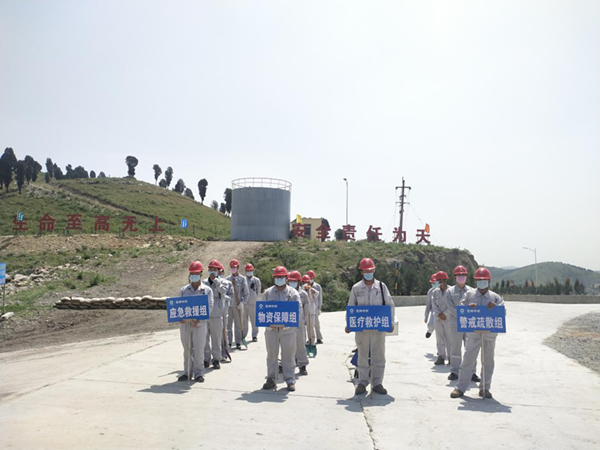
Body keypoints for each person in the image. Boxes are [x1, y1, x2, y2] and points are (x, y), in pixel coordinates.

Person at [451, 267, 504, 399]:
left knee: (488, 361)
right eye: (479, 280)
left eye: (484, 280)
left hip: (489, 335)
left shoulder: (495, 297)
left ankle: (485, 388)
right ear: (476, 281)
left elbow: (503, 311)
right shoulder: (469, 295)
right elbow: (461, 309)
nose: (482, 282)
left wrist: (495, 307)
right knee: (468, 360)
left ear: (489, 281)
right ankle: (460, 387)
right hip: (474, 334)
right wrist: (468, 307)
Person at [345, 258, 395, 395]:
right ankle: (362, 383)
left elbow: (390, 306)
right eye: (365, 271)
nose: (368, 273)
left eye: (370, 271)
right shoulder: (356, 288)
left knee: (379, 355)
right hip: (362, 329)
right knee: (362, 355)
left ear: (374, 270)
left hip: (378, 329)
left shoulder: (381, 287)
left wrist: (390, 322)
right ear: (361, 272)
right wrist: (349, 324)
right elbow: (351, 307)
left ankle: (377, 383)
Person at [262, 266, 301, 392]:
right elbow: (262, 310)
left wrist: (289, 324)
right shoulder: (268, 293)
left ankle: (290, 380)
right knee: (271, 354)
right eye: (277, 277)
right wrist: (267, 324)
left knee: (288, 355)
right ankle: (271, 378)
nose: (279, 279)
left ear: (286, 278)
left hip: (288, 330)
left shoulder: (293, 293)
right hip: (271, 330)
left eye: (281, 277)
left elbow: (298, 310)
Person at [178, 261, 214, 383]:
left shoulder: (207, 290)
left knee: (198, 350)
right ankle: (187, 372)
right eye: (192, 273)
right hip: (186, 325)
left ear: (201, 274)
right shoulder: (184, 290)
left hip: (200, 325)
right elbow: (178, 307)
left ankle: (199, 373)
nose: (194, 275)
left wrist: (198, 319)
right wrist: (180, 317)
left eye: (196, 273)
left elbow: (209, 307)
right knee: (187, 349)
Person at [446, 265, 480, 382]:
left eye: (463, 275)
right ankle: (455, 371)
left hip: (469, 324)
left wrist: (467, 315)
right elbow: (451, 308)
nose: (461, 277)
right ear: (455, 277)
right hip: (455, 323)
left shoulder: (472, 291)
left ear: (466, 276)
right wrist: (462, 315)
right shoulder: (450, 292)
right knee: (455, 348)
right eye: (459, 275)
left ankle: (472, 372)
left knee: (471, 348)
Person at [203, 259, 230, 370]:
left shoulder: (224, 282)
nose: (212, 271)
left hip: (217, 314)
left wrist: (216, 281)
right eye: (210, 269)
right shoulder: (204, 282)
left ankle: (216, 359)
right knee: (205, 339)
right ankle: (206, 359)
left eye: (214, 269)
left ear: (219, 271)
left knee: (216, 339)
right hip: (205, 315)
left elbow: (223, 292)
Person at [288, 270, 309, 376]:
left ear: (298, 281)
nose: (292, 283)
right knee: (286, 344)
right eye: (290, 281)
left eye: (294, 281)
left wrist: (303, 320)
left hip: (299, 322)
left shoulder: (303, 294)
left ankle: (302, 365)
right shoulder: (285, 292)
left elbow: (306, 309)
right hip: (287, 322)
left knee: (300, 344)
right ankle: (285, 363)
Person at [226, 259, 249, 350]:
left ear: (238, 267)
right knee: (228, 325)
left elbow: (246, 294)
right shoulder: (227, 279)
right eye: (231, 267)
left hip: (238, 306)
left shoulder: (242, 279)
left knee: (238, 325)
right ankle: (229, 342)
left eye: (234, 267)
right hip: (229, 306)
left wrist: (242, 303)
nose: (233, 269)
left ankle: (238, 342)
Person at [243, 263, 261, 342]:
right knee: (244, 320)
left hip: (253, 303)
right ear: (245, 271)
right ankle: (243, 334)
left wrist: (255, 298)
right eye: (248, 270)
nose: (249, 272)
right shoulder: (243, 280)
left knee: (254, 320)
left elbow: (258, 291)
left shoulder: (256, 280)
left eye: (250, 270)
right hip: (245, 303)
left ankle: (254, 335)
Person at [306, 270, 324, 344]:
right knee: (310, 325)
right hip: (308, 308)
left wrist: (319, 308)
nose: (310, 280)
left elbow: (320, 297)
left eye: (311, 278)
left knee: (317, 324)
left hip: (315, 307)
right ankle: (310, 338)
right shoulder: (305, 286)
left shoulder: (317, 286)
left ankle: (319, 338)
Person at [302, 274, 319, 348]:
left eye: (307, 282)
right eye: (304, 282)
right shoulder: (301, 290)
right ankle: (305, 340)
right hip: (304, 312)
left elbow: (317, 294)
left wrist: (312, 291)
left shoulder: (312, 289)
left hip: (311, 311)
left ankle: (312, 341)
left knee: (311, 327)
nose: (306, 284)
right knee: (303, 328)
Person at [424, 273, 438, 339]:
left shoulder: (447, 290)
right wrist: (426, 316)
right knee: (431, 324)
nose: (433, 284)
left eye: (434, 282)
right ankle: (430, 330)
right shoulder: (430, 292)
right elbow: (428, 304)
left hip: (445, 311)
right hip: (434, 310)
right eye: (432, 283)